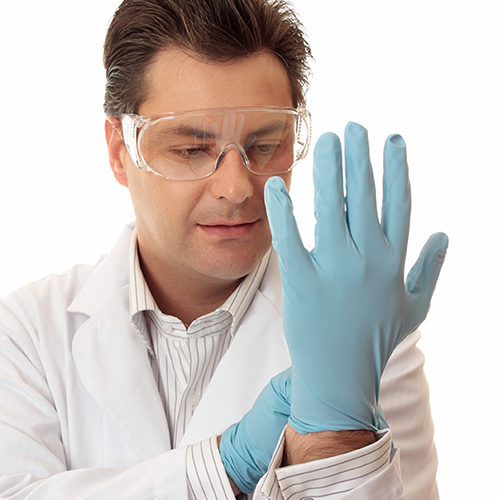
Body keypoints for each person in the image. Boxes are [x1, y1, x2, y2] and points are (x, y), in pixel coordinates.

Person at [0, 0, 448, 498]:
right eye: (192, 149)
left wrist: (339, 436)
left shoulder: (364, 337)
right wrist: (227, 467)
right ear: (119, 151)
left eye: (265, 144)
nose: (236, 187)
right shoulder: (26, 335)